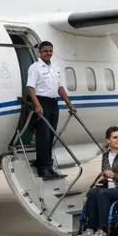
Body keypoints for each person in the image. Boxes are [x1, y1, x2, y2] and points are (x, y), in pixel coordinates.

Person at [77, 126, 118, 236]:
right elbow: (104, 172)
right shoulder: (106, 155)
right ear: (108, 140)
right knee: (93, 193)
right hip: (109, 187)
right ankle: (90, 229)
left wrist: (114, 175)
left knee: (102, 194)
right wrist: (106, 175)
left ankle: (103, 230)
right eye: (115, 137)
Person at [26, 41, 75, 180]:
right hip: (42, 101)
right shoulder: (35, 68)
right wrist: (37, 105)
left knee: (51, 136)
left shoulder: (55, 68)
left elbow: (59, 88)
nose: (48, 53)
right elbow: (31, 88)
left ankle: (49, 166)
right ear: (40, 53)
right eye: (45, 51)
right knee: (43, 136)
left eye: (50, 51)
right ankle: (43, 167)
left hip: (54, 103)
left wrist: (69, 104)